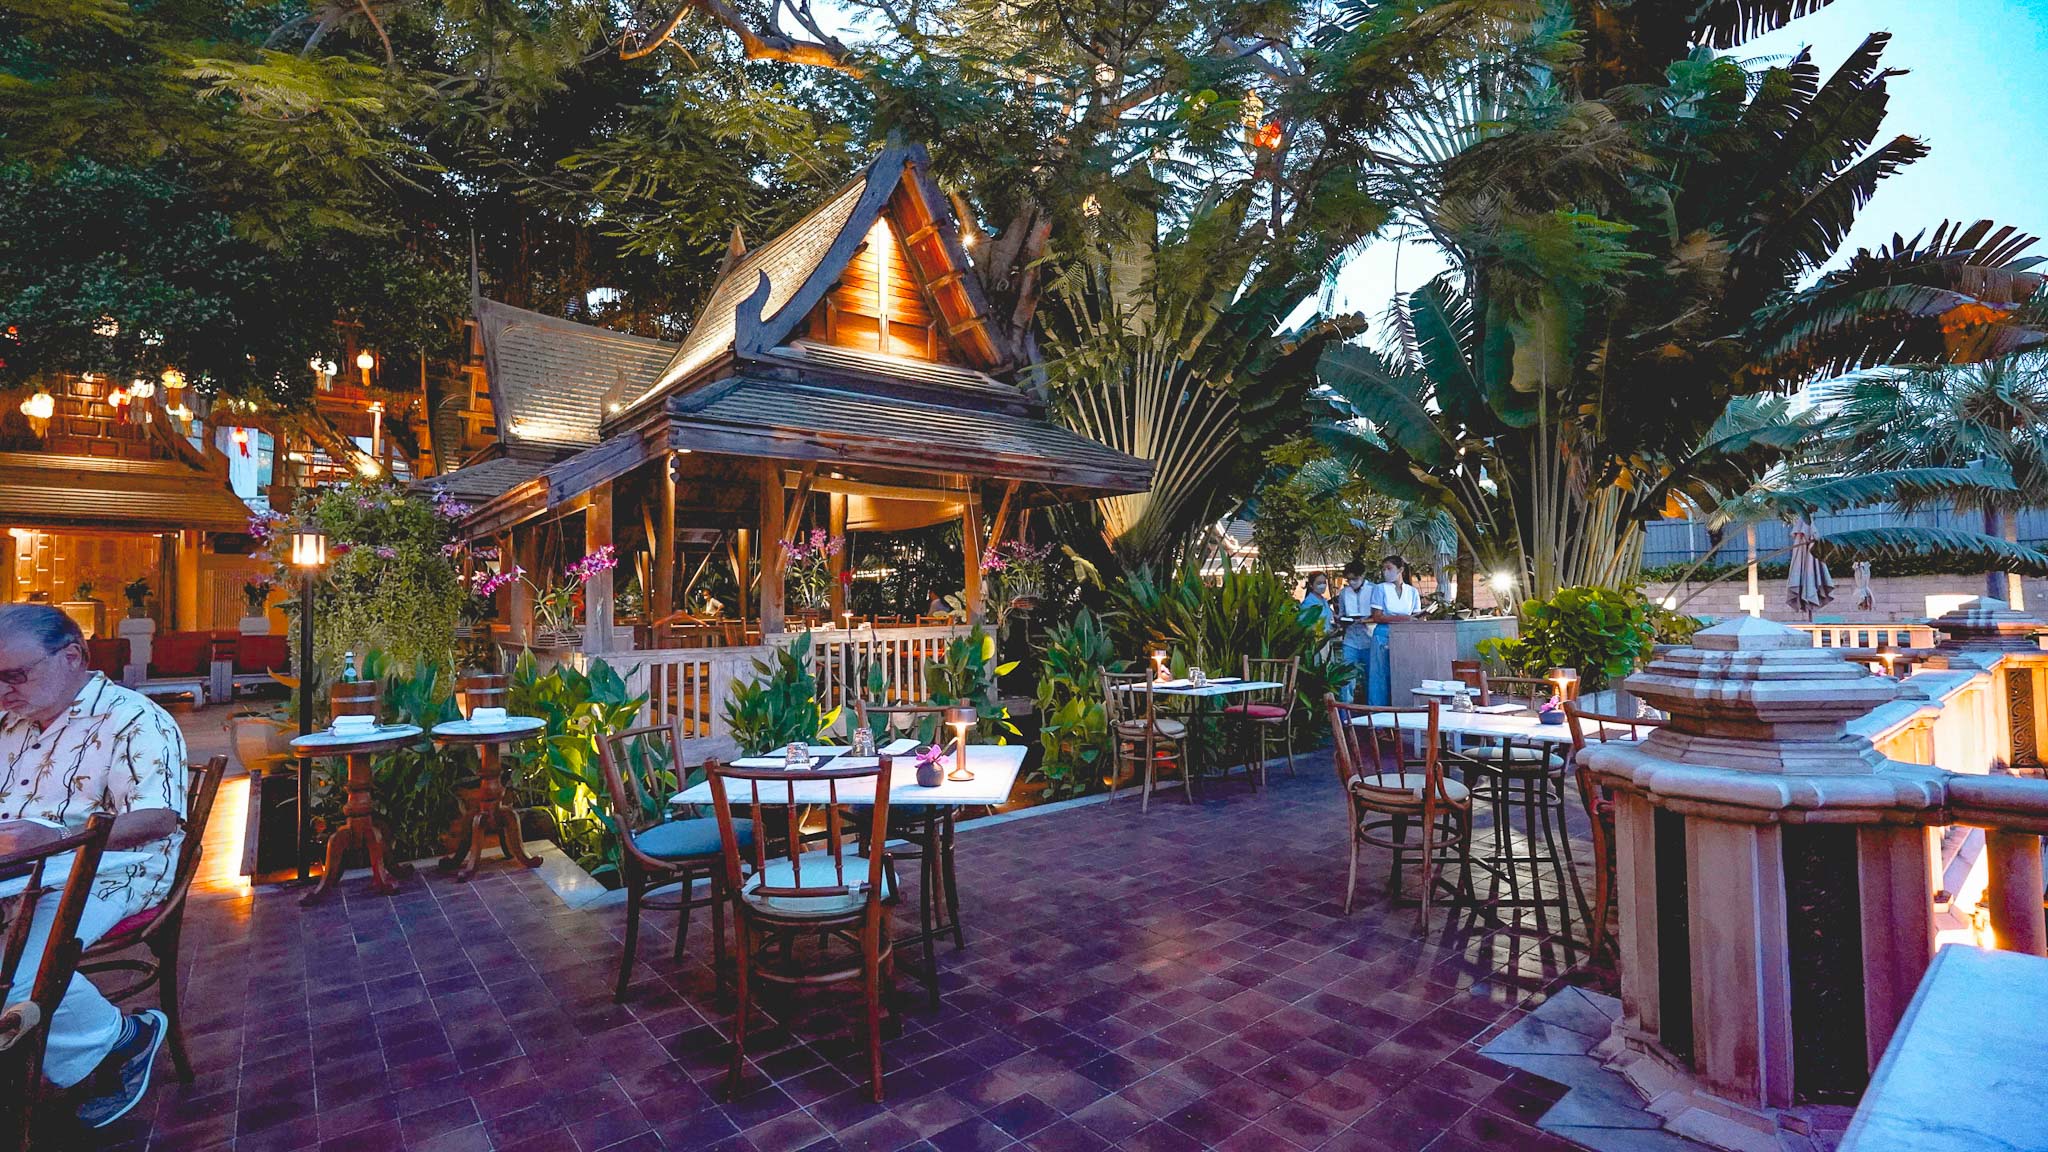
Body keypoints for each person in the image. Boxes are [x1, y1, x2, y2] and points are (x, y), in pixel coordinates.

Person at [0, 603, 187, 1129]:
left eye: (15, 675)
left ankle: (122, 1039)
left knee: (14, 973)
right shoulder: (10, 724)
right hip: (20, 871)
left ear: (72, 657)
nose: (3, 691)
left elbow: (159, 818)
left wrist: (59, 838)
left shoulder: (135, 719)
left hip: (112, 867)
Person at [1367, 555, 1423, 705]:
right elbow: (1377, 616)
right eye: (1384, 569)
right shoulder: (1380, 588)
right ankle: (1377, 711)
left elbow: (1417, 616)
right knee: (1379, 674)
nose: (1385, 572)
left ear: (1400, 570)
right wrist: (1404, 618)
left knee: (1403, 672)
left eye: (1389, 568)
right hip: (1383, 633)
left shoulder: (1412, 591)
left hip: (1405, 635)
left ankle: (1404, 707)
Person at [1333, 561, 1375, 701]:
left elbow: (1379, 613)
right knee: (1347, 676)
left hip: (1369, 638)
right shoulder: (1344, 593)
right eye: (1349, 579)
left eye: (1355, 579)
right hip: (1351, 639)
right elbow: (1342, 612)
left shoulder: (1374, 589)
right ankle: (1345, 709)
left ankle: (1372, 708)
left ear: (1362, 575)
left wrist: (1367, 619)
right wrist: (1340, 619)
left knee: (1371, 677)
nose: (1352, 582)